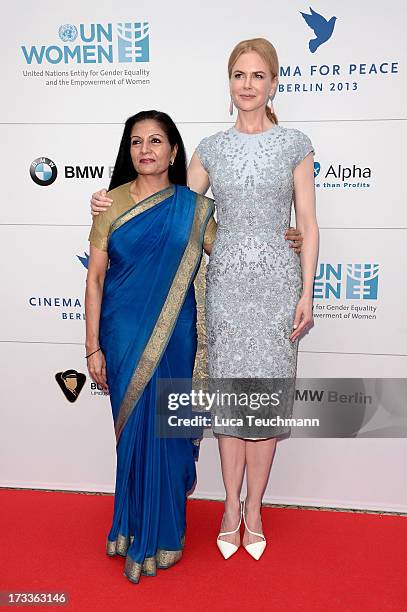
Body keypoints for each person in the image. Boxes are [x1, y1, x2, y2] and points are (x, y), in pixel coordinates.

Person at [89, 38, 317, 562]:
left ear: (274, 82)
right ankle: (228, 508)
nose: (247, 84)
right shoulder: (210, 149)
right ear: (229, 82)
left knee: (261, 407)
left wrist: (305, 278)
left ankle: (254, 510)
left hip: (278, 287)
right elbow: (177, 209)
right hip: (225, 290)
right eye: (239, 74)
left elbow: (308, 220)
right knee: (230, 407)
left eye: (258, 75)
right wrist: (110, 197)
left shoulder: (295, 143)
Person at [85, 110, 214, 583]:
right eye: (137, 141)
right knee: (133, 435)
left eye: (156, 140)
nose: (146, 149)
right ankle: (133, 527)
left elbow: (229, 254)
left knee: (169, 435)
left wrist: (282, 239)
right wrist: (92, 346)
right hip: (121, 335)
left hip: (176, 337)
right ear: (129, 151)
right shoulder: (110, 205)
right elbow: (95, 277)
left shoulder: (195, 209)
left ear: (173, 151)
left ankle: (164, 534)